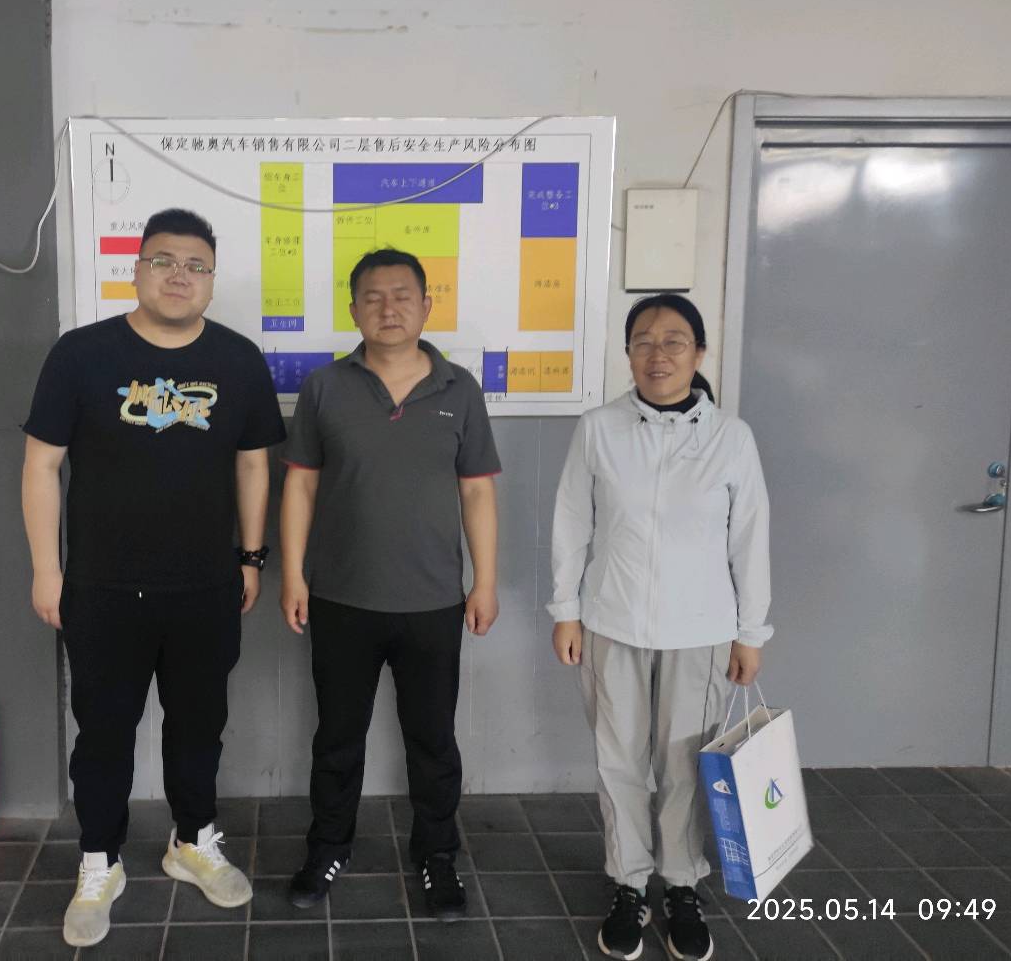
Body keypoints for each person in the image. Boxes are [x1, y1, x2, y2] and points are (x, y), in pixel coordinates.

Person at [21, 208, 286, 949]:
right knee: (103, 733)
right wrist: (47, 569)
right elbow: (41, 465)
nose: (179, 275)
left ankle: (191, 841)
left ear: (212, 280)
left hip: (205, 587)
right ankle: (98, 862)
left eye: (196, 265)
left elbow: (254, 464)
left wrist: (251, 557)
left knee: (199, 725)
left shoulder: (238, 359)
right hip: (101, 588)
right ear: (136, 270)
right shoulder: (81, 355)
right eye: (163, 260)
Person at [279, 248, 501, 921]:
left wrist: (485, 582)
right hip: (340, 597)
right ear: (354, 310)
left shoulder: (460, 389)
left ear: (427, 305)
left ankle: (437, 854)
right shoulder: (325, 387)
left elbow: (477, 493)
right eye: (373, 297)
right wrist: (293, 574)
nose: (389, 307)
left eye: (403, 295)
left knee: (432, 740)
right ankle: (328, 847)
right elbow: (301, 486)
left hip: (434, 602)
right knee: (336, 738)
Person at [549, 293, 772, 961]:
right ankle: (628, 882)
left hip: (701, 632)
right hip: (611, 623)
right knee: (618, 760)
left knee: (682, 768)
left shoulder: (731, 438)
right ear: (627, 353)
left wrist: (751, 631)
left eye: (674, 341)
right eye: (643, 341)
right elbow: (572, 523)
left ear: (699, 352)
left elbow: (750, 540)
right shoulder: (599, 429)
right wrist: (566, 611)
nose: (658, 354)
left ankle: (680, 885)